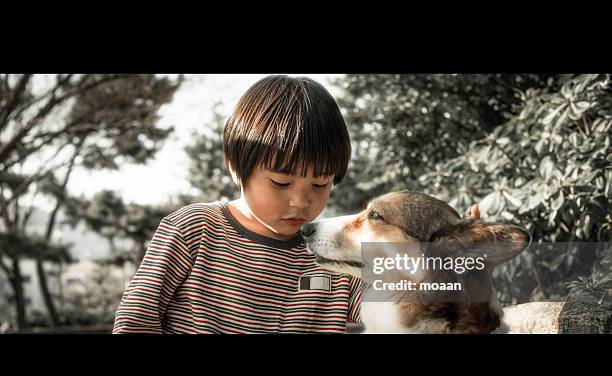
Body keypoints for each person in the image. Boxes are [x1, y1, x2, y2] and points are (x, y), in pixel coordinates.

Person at [112, 75, 481, 334]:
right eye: (281, 182)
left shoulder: (340, 257)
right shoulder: (193, 230)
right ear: (236, 166)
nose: (301, 201)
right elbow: (135, 322)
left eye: (320, 184)